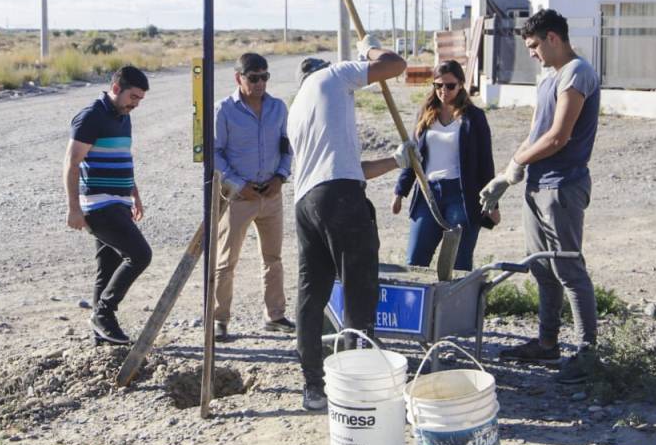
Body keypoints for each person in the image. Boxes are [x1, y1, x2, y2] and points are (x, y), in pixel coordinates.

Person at [287, 35, 414, 411]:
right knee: (360, 289)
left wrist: (395, 161)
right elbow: (396, 64)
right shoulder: (335, 77)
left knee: (312, 296)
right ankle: (361, 383)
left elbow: (347, 169)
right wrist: (370, 49)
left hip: (307, 205)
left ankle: (314, 387)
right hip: (340, 200)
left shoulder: (299, 111)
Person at [479, 8, 601, 383]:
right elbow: (536, 134)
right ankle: (547, 344)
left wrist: (515, 164)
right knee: (541, 268)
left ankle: (587, 353)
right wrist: (507, 174)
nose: (532, 53)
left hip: (562, 184)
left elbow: (558, 137)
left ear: (553, 38)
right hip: (538, 183)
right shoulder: (548, 78)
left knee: (568, 267)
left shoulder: (577, 73)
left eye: (534, 45)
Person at [63, 66, 153, 345]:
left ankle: (100, 337)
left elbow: (122, 158)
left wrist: (134, 195)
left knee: (108, 266)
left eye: (139, 99)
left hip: (120, 201)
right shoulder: (91, 117)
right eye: (133, 97)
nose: (135, 104)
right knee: (140, 255)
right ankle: (104, 313)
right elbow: (72, 162)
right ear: (116, 88)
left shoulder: (123, 116)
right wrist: (74, 208)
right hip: (98, 204)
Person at [212, 53, 295, 342]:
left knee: (273, 258)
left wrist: (281, 177)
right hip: (238, 197)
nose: (260, 83)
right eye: (253, 78)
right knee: (226, 260)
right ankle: (219, 320)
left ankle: (274, 316)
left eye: (264, 77)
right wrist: (236, 184)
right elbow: (214, 153)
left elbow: (288, 146)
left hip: (270, 195)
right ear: (239, 78)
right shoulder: (223, 110)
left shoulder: (277, 108)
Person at [392, 59, 499, 271]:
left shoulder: (474, 118)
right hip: (427, 192)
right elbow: (413, 155)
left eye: (450, 86)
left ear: (460, 84)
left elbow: (485, 163)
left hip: (461, 195)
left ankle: (456, 303)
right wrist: (400, 192)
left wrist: (492, 204)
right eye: (438, 85)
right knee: (414, 261)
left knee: (458, 264)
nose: (444, 91)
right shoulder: (426, 113)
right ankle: (420, 303)